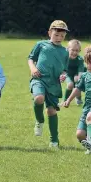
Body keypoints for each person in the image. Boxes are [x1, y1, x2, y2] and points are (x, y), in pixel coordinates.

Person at [28, 20, 69, 148]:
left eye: (62, 36)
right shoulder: (41, 45)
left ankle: (54, 140)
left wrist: (63, 75)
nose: (59, 38)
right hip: (39, 79)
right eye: (56, 35)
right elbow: (30, 58)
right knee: (39, 98)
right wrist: (33, 69)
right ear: (49, 33)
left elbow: (65, 69)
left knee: (51, 111)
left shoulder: (65, 52)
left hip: (54, 84)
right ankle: (39, 121)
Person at [63, 39, 86, 106]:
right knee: (70, 85)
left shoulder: (80, 59)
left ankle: (78, 98)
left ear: (79, 51)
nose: (74, 52)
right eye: (72, 50)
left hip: (77, 74)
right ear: (68, 49)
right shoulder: (65, 58)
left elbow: (81, 71)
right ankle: (65, 101)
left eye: (77, 51)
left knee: (77, 85)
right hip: (68, 74)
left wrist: (79, 79)